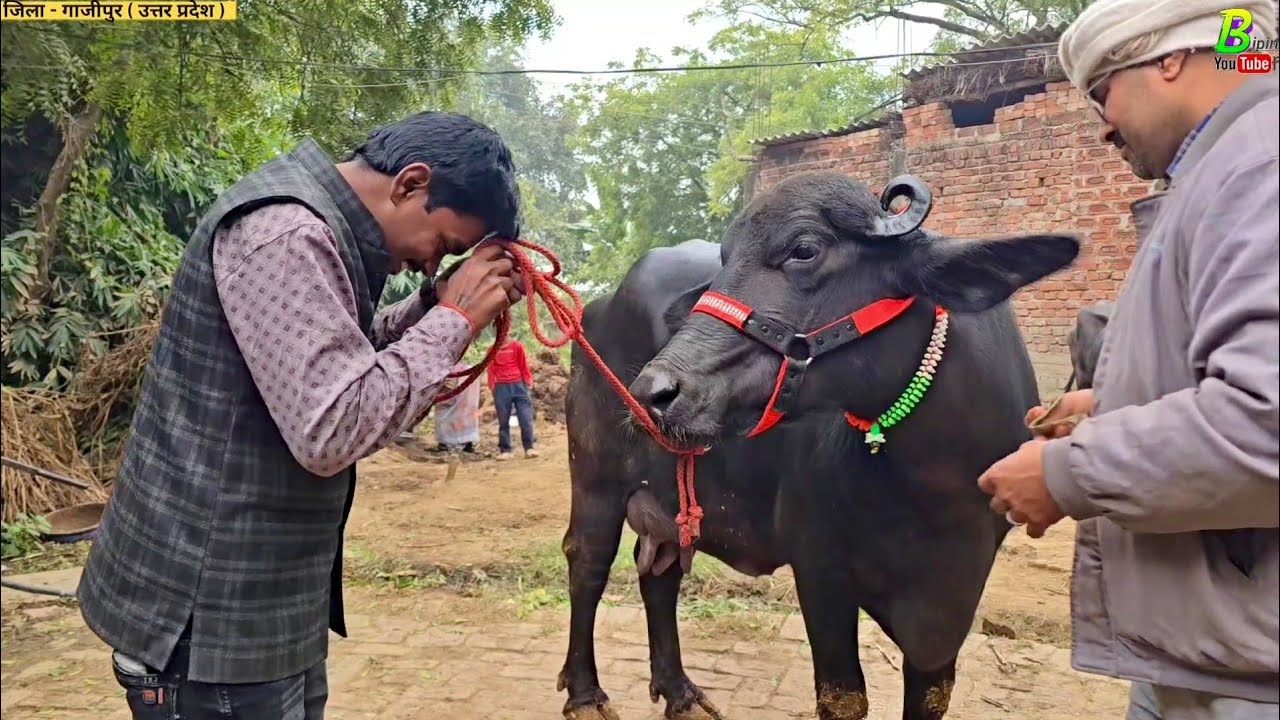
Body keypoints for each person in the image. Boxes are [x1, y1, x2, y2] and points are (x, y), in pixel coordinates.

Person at [77, 110, 525, 719]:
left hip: (257, 613)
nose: (428, 263)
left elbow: (347, 357)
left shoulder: (317, 227)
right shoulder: (285, 232)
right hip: (209, 629)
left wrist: (434, 303)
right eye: (441, 245)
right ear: (410, 184)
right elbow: (333, 426)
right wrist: (456, 318)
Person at [977, 2, 1279, 718]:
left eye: (1102, 91)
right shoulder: (1226, 172)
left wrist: (1064, 474)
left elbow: (1266, 425)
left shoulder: (1260, 170)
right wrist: (1110, 406)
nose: (1103, 125)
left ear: (1169, 59)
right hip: (1220, 641)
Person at [485, 337, 538, 460]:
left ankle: (529, 448)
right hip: (501, 387)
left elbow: (523, 364)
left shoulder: (517, 346)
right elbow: (491, 369)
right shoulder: (491, 349)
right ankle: (505, 450)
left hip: (519, 385)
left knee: (525, 418)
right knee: (503, 421)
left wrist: (528, 380)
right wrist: (492, 386)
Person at [433, 359, 481, 453]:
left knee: (444, 415)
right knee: (464, 418)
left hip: (460, 398)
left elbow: (448, 387)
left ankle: (444, 444)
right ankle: (467, 444)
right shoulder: (468, 369)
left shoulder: (446, 369)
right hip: (466, 402)